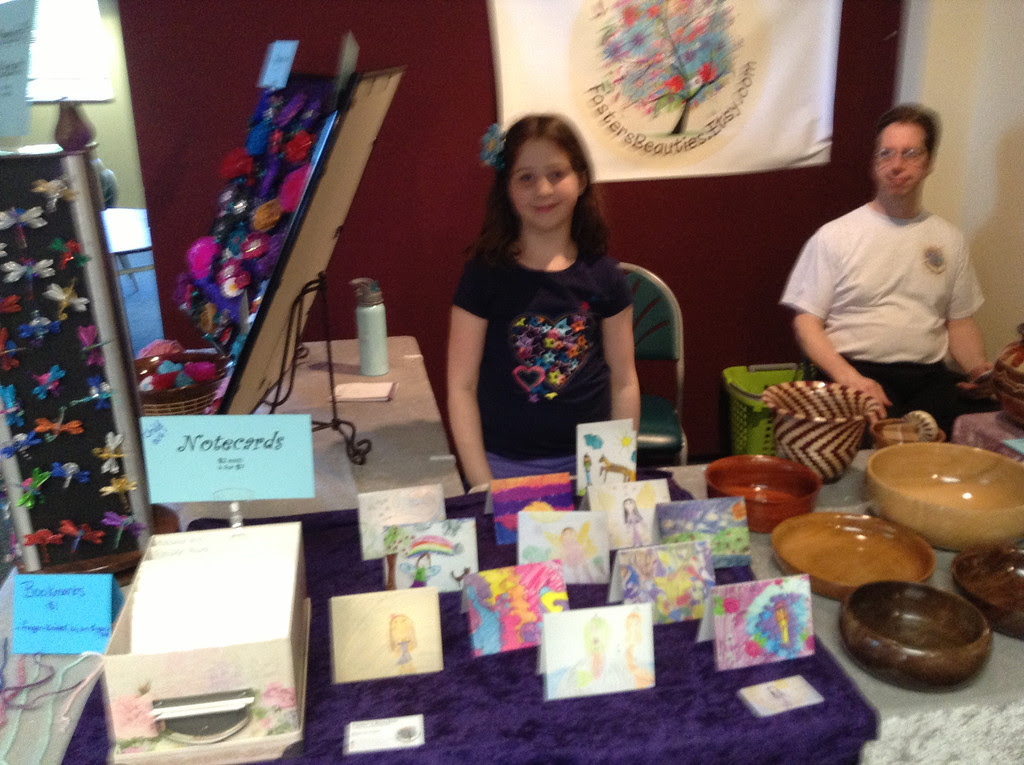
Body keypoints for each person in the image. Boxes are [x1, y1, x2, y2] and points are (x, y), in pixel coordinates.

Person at [447, 114, 640, 490]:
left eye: (556, 174)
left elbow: (623, 382)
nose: (543, 189)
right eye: (526, 177)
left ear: (580, 180)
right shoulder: (484, 276)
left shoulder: (606, 277)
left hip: (593, 465)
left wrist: (616, 472)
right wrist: (483, 483)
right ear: (507, 188)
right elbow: (461, 386)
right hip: (503, 468)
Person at [780, 103, 996, 436]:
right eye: (886, 154)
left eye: (910, 153)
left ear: (929, 162)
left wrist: (978, 371)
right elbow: (806, 323)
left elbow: (959, 322)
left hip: (928, 377)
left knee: (991, 420)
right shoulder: (836, 236)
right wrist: (851, 379)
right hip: (856, 372)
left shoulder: (949, 240)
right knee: (885, 432)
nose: (896, 165)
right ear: (874, 163)